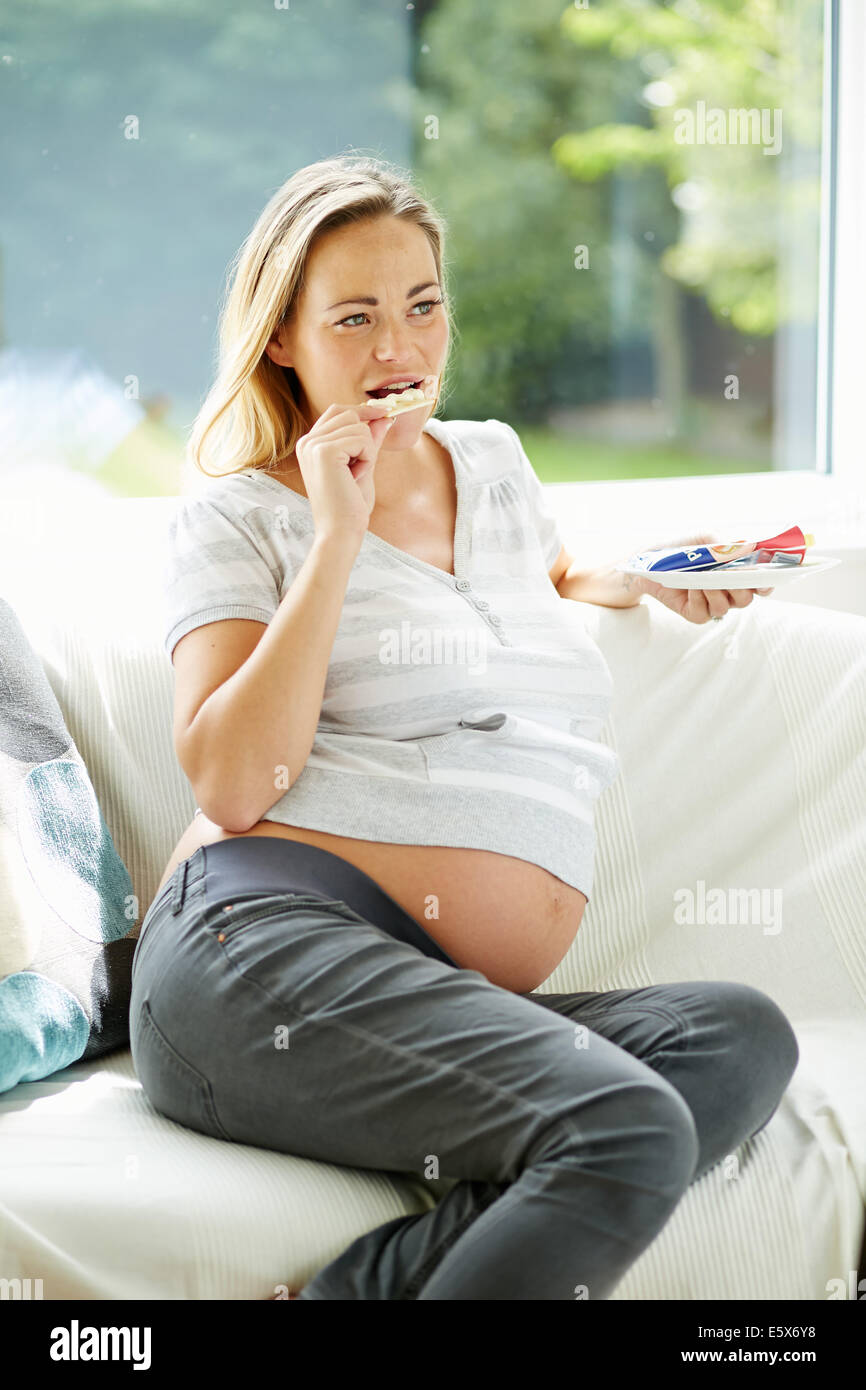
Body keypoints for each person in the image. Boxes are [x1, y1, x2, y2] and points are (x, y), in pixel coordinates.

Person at [129, 154, 798, 1300]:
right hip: (255, 958)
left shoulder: (488, 462)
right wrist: (334, 534)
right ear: (282, 336)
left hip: (428, 989)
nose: (400, 349)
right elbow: (235, 781)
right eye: (355, 318)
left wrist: (641, 577)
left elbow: (518, 579)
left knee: (735, 1033)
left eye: (422, 306)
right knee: (626, 1125)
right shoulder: (243, 518)